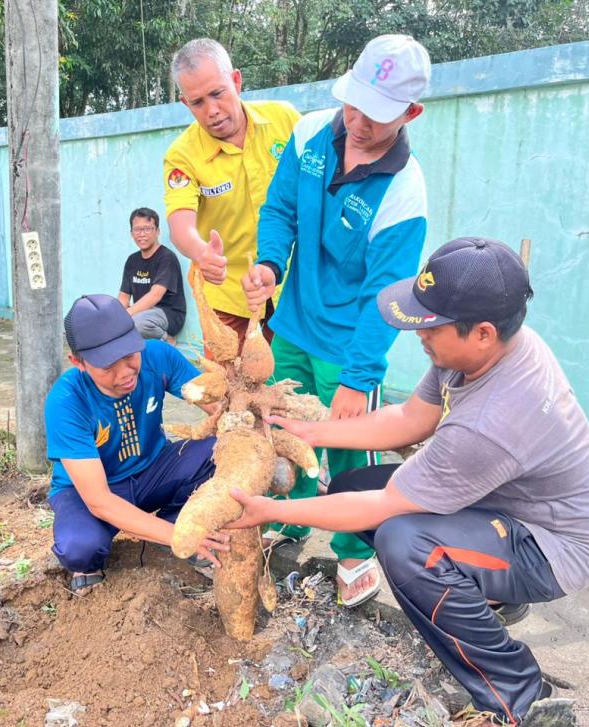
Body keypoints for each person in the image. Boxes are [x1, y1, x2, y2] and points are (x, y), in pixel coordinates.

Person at [229, 237, 589, 724]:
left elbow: (387, 505)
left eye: (432, 324)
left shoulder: (494, 420)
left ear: (483, 333)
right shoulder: (478, 354)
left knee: (407, 545)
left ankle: (520, 695)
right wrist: (313, 429)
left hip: (553, 546)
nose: (419, 333)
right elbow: (411, 417)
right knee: (353, 486)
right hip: (500, 504)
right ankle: (491, 595)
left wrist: (273, 511)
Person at [241, 35, 431, 606]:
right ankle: (294, 521)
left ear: (410, 113)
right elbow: (279, 210)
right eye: (353, 104)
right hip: (294, 325)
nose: (358, 121)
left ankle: (355, 553)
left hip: (350, 342)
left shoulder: (404, 191)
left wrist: (356, 378)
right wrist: (271, 265)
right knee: (286, 429)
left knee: (350, 448)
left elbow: (387, 295)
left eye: (376, 115)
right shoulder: (310, 134)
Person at [44, 294, 228, 595]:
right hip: (95, 490)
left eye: (130, 355)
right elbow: (99, 499)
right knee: (79, 548)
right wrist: (179, 536)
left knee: (219, 450)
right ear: (78, 362)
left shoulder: (158, 357)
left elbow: (220, 407)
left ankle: (174, 520)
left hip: (154, 471)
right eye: (107, 366)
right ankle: (170, 534)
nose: (126, 373)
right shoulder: (66, 402)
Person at [164, 38, 301, 349]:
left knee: (289, 387)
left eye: (217, 93)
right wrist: (202, 253)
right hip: (227, 297)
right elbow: (180, 225)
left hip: (291, 287)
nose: (212, 110)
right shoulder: (182, 155)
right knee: (228, 388)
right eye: (198, 102)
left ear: (236, 81)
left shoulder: (286, 120)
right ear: (186, 103)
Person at [118, 207, 187, 341]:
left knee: (137, 324)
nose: (142, 234)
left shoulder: (167, 258)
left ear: (157, 231)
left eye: (147, 229)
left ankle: (167, 339)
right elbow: (124, 297)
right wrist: (115, 315)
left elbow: (155, 295)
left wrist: (126, 315)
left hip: (169, 314)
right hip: (142, 312)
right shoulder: (132, 260)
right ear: (131, 233)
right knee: (110, 319)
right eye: (137, 229)